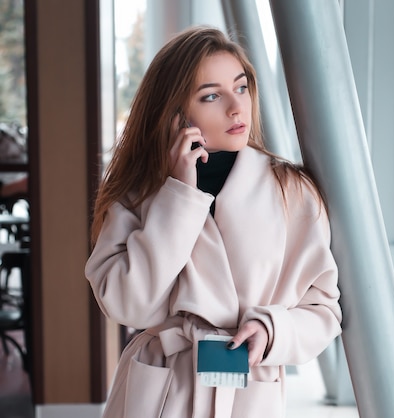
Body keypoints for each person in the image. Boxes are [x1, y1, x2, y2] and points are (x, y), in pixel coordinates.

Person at [85, 26, 342, 418]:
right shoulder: (140, 193)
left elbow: (324, 308)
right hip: (160, 392)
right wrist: (180, 197)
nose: (236, 108)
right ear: (175, 113)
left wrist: (273, 330)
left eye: (241, 88)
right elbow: (128, 304)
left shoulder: (293, 191)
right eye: (211, 96)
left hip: (249, 388)